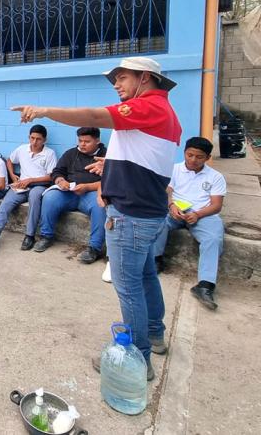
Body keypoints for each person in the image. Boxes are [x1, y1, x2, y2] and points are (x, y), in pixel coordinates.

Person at [11, 56, 182, 380]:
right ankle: (155, 334)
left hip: (130, 214)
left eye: (122, 77)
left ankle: (137, 362)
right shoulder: (166, 113)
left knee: (128, 286)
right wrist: (112, 166)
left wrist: (44, 110)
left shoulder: (148, 106)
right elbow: (147, 158)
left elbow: (95, 115)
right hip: (146, 211)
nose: (116, 84)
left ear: (145, 78)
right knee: (145, 276)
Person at [153, 137, 226, 310]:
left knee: (213, 239)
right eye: (189, 155)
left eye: (199, 157)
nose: (193, 160)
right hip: (175, 211)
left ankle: (205, 286)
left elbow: (216, 205)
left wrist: (198, 214)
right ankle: (156, 260)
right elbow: (167, 191)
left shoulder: (215, 177)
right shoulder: (173, 169)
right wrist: (171, 205)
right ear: (184, 153)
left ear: (207, 158)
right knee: (156, 222)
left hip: (203, 214)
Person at [34, 127, 107, 264]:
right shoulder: (71, 154)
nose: (82, 144)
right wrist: (60, 181)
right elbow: (57, 171)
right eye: (80, 141)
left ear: (97, 141)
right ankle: (46, 236)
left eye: (87, 141)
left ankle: (94, 248)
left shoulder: (106, 156)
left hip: (90, 193)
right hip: (69, 192)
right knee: (50, 198)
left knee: (100, 205)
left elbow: (109, 181)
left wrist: (87, 187)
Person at [0, 125, 57, 251]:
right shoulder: (22, 149)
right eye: (32, 138)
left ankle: (29, 236)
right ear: (29, 137)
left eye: (38, 139)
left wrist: (30, 180)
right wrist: (13, 175)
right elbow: (9, 160)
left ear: (44, 140)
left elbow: (51, 177)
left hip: (39, 185)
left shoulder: (49, 153)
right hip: (21, 185)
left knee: (35, 198)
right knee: (6, 203)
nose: (34, 142)